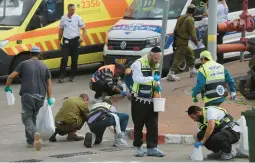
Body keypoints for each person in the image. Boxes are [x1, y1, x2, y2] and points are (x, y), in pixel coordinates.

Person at [4, 46, 53, 151]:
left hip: (28, 95)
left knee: (26, 117)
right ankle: (30, 141)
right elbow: (49, 85)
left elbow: (11, 76)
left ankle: (35, 133)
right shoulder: (44, 66)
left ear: (30, 54)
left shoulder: (24, 63)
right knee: (32, 118)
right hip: (40, 97)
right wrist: (49, 98)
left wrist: (7, 87)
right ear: (39, 55)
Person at [130, 47, 164, 157]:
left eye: (159, 59)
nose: (157, 61)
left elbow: (157, 79)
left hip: (152, 99)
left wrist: (158, 88)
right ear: (150, 55)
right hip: (139, 99)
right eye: (155, 59)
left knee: (153, 124)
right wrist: (151, 78)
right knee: (138, 123)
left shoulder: (156, 64)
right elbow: (137, 79)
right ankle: (138, 147)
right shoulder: (138, 64)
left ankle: (152, 148)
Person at [167, 4, 199, 81]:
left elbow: (175, 29)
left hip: (179, 40)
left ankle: (192, 70)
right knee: (179, 58)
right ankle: (170, 74)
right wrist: (196, 41)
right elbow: (192, 32)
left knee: (190, 53)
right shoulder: (190, 19)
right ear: (194, 11)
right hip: (183, 41)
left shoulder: (181, 17)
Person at [58, 3, 86, 83]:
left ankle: (72, 75)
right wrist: (59, 40)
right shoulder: (63, 18)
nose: (73, 11)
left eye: (74, 9)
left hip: (75, 40)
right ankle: (62, 76)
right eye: (71, 9)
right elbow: (61, 30)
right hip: (66, 40)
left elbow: (84, 29)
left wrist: (82, 38)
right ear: (68, 9)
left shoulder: (78, 18)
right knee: (64, 58)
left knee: (74, 60)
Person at [201, 0, 229, 64]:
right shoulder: (224, 6)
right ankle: (220, 60)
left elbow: (207, 13)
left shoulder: (217, 7)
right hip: (222, 27)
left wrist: (205, 5)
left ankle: (213, 60)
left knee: (210, 42)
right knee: (219, 43)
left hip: (217, 28)